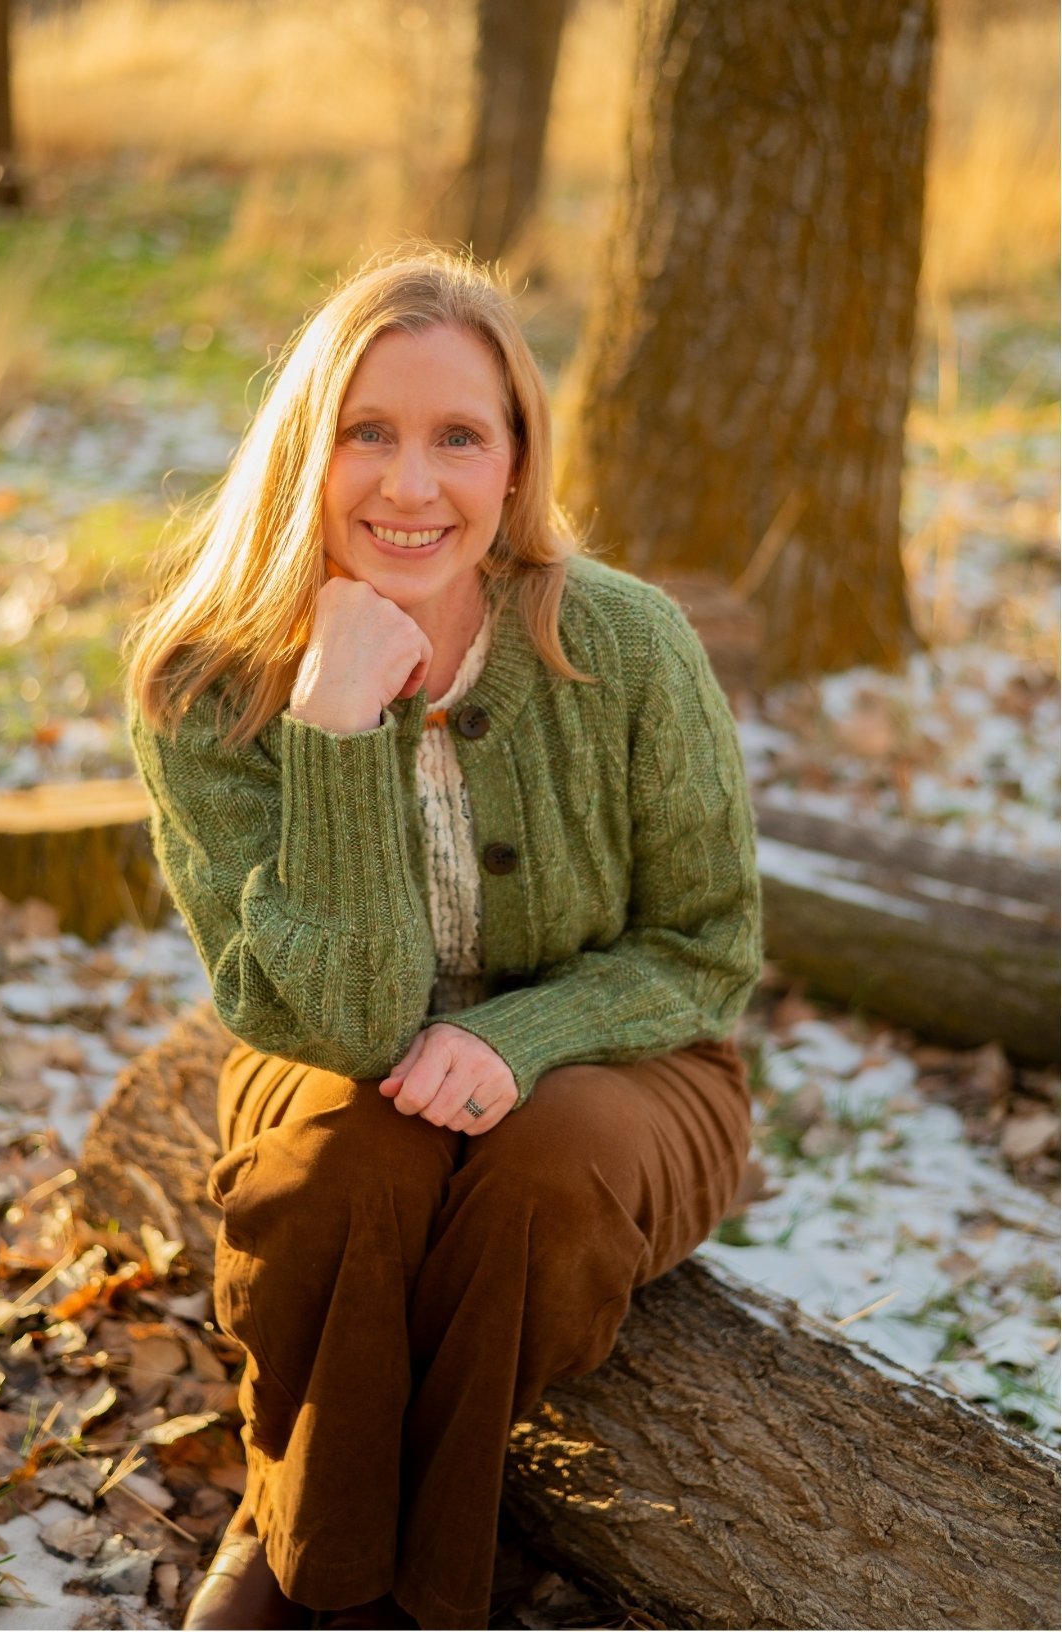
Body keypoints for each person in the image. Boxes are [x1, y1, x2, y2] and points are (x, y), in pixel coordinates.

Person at [126, 247, 761, 1632]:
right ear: (309, 448)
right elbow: (336, 1026)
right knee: (344, 1175)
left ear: (517, 463)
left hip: (631, 1057)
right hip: (321, 1047)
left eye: (458, 438)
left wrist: (515, 1035)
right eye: (370, 433)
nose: (412, 487)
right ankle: (317, 1553)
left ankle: (397, 1592)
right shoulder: (203, 681)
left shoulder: (630, 644)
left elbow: (706, 949)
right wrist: (339, 721)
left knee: (543, 1177)